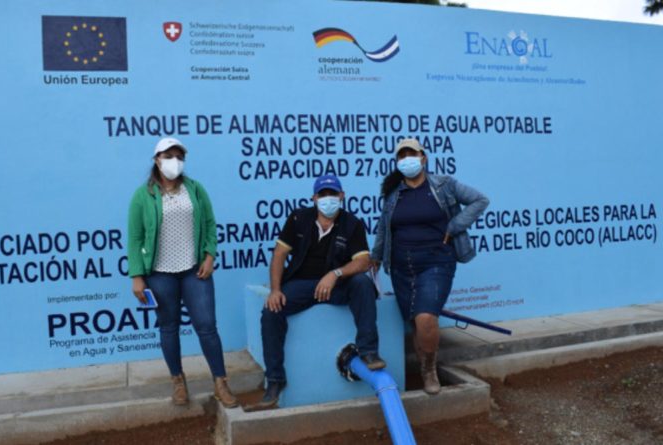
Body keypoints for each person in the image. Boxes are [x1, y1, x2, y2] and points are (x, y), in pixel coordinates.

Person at [255, 174, 386, 410]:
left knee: (363, 284)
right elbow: (279, 255)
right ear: (314, 198)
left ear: (342, 196)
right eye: (323, 195)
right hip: (301, 284)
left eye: (333, 194)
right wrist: (275, 290)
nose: (328, 199)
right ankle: (275, 380)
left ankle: (368, 352)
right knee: (271, 311)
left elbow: (364, 261)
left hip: (337, 285)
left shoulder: (352, 224)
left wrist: (335, 274)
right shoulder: (298, 218)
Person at [127, 137, 237, 408]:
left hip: (193, 271)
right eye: (168, 156)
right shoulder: (143, 196)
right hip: (160, 273)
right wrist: (137, 277)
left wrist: (210, 256)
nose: (173, 161)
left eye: (178, 156)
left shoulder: (196, 190)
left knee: (207, 327)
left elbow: (210, 224)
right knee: (168, 327)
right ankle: (178, 381)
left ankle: (220, 383)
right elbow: (135, 238)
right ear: (156, 160)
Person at [371, 138, 489, 395]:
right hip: (403, 267)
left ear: (423, 158)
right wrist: (376, 257)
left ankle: (429, 369)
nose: (406, 159)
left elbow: (480, 200)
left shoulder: (443, 184)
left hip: (437, 262)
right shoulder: (392, 194)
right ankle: (425, 366)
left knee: (426, 317)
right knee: (416, 322)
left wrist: (454, 226)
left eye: (411, 154)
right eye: (401, 156)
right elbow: (384, 229)